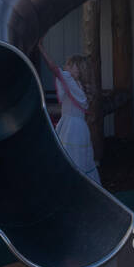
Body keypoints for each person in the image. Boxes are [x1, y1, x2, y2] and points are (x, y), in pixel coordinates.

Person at [39, 46, 101, 185]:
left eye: (69, 65)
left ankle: (73, 188)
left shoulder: (72, 83)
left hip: (71, 129)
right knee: (79, 160)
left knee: (72, 159)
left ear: (78, 70)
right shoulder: (78, 85)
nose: (65, 67)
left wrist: (41, 48)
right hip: (76, 127)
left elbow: (54, 68)